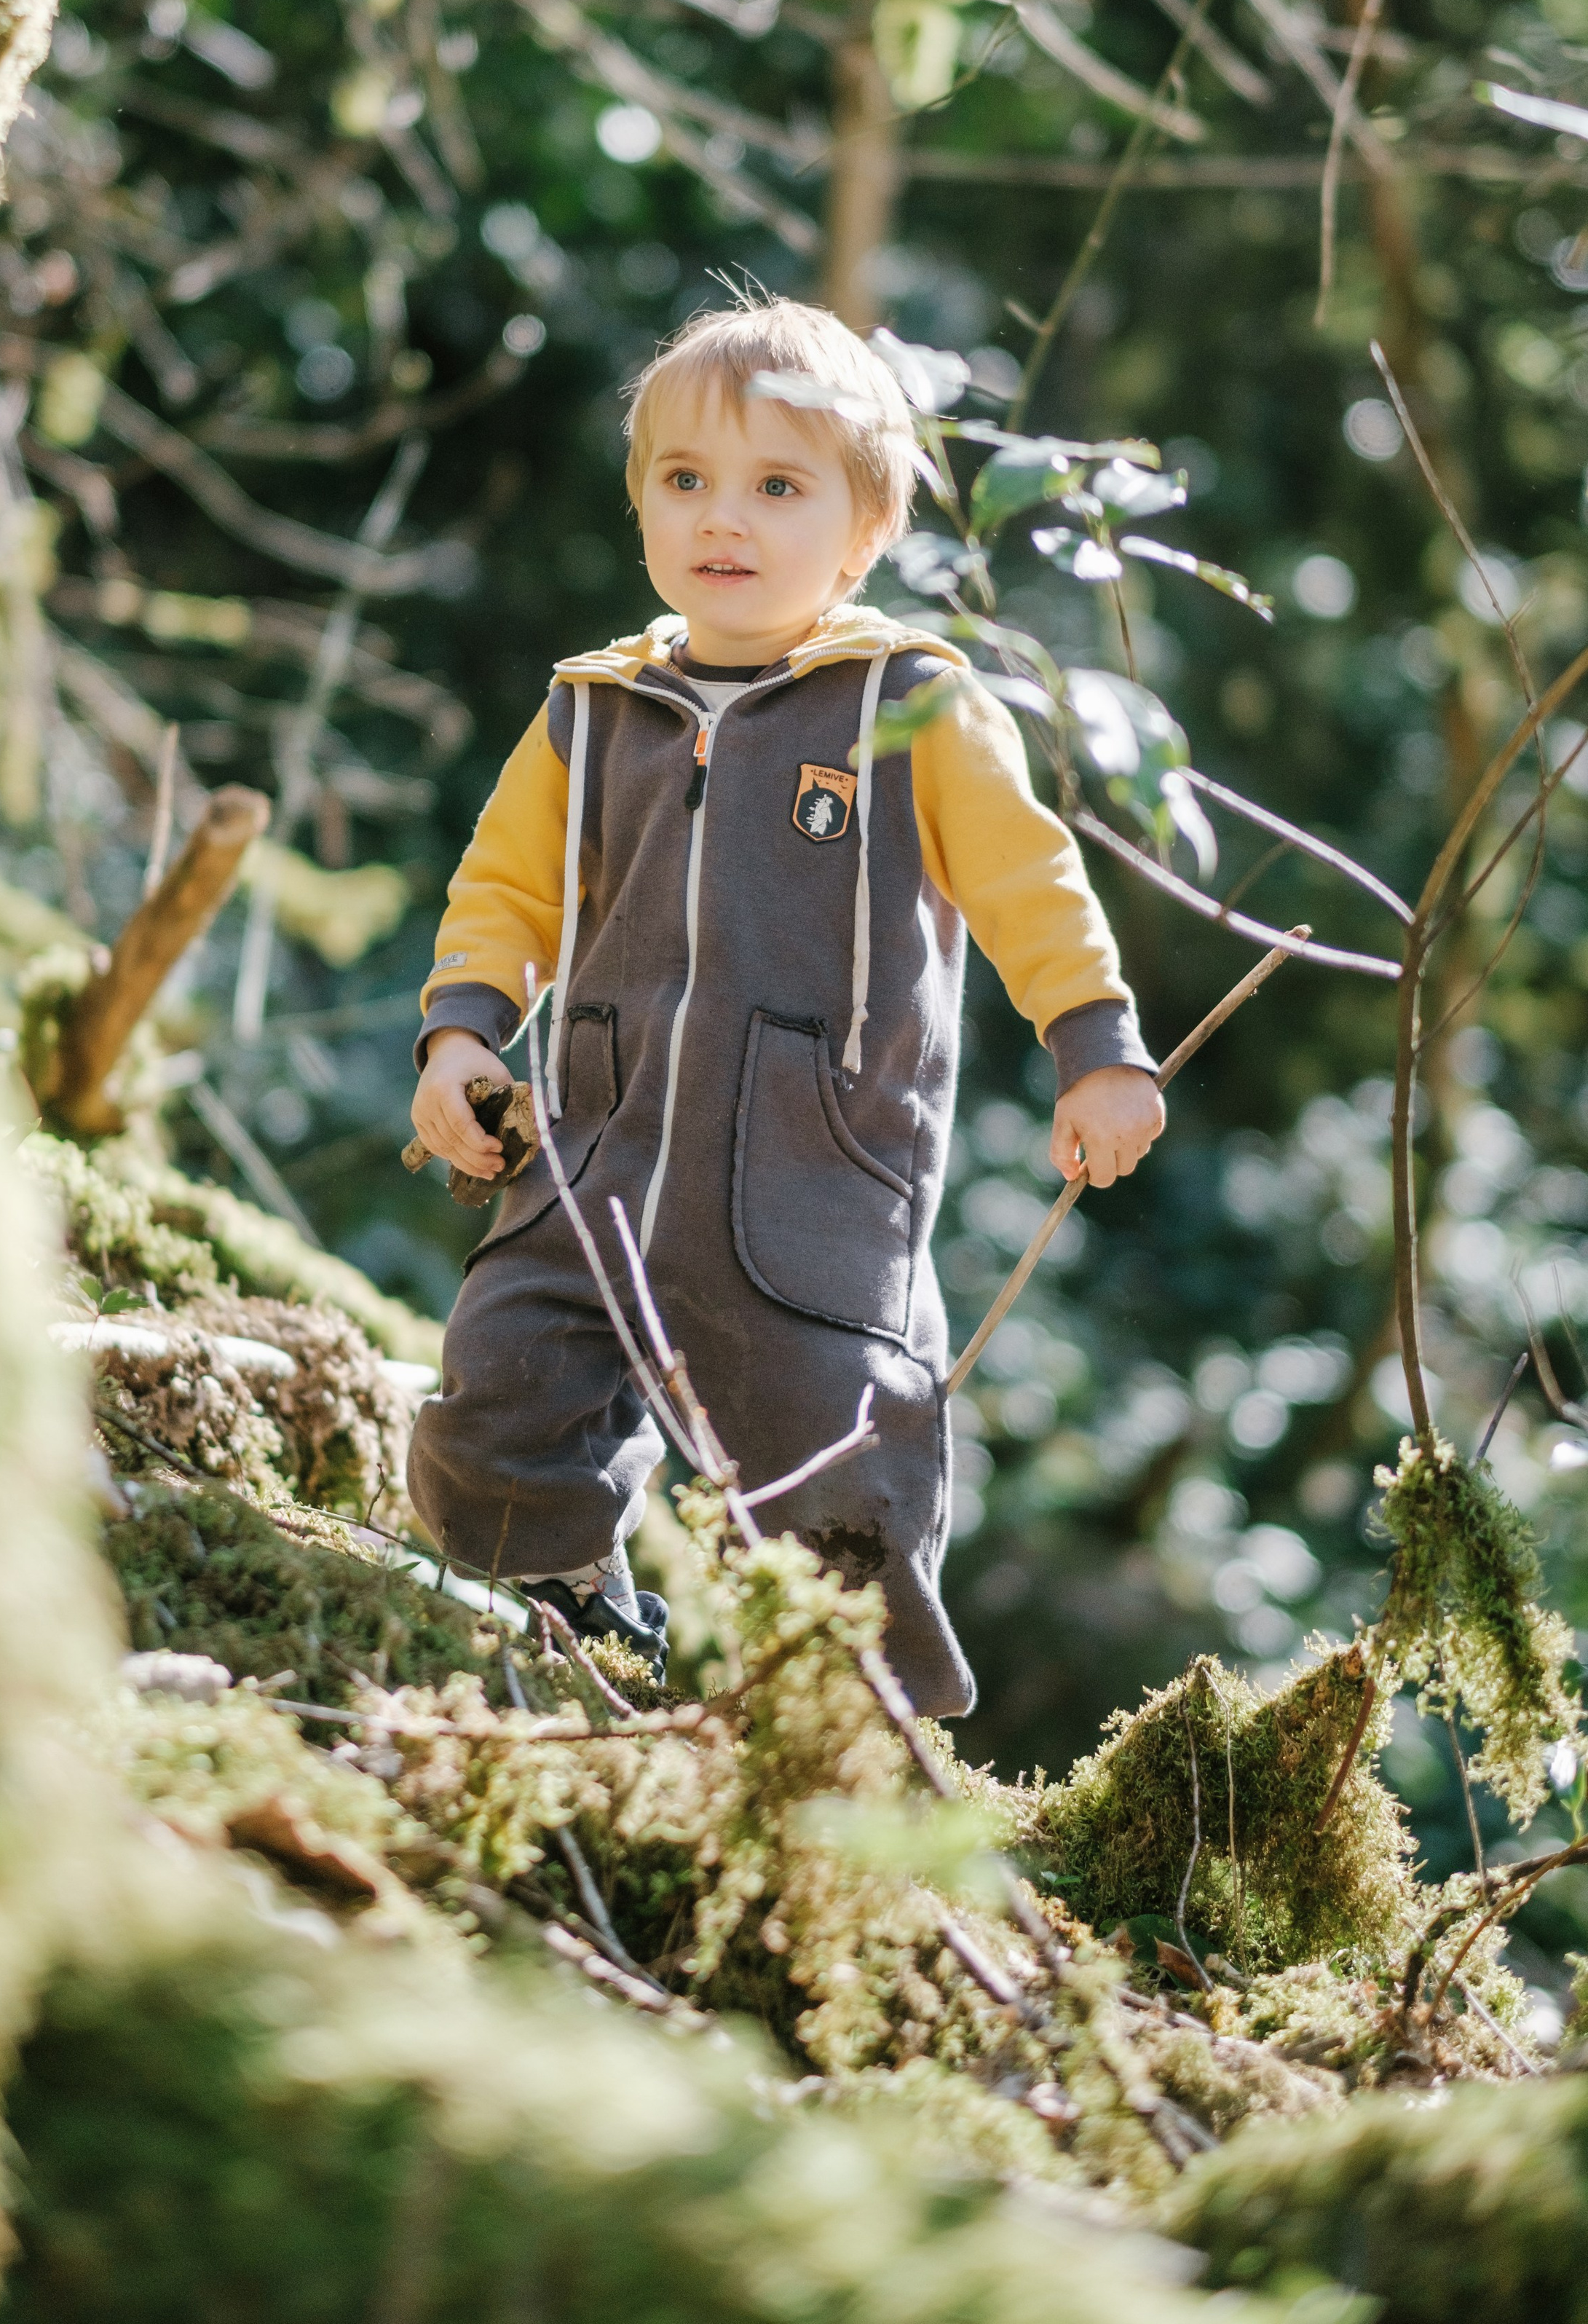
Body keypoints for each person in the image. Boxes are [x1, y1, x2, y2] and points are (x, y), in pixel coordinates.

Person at [405, 297, 1163, 1713]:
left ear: (862, 530)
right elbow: (503, 889)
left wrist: (1094, 1044)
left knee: (837, 1475)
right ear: (639, 506)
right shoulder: (593, 707)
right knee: (500, 1384)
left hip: (817, 1177)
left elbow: (1025, 884)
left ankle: (849, 1738)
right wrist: (460, 1035)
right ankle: (552, 1610)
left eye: (774, 486)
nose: (722, 519)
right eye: (683, 481)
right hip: (596, 1149)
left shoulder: (908, 705)